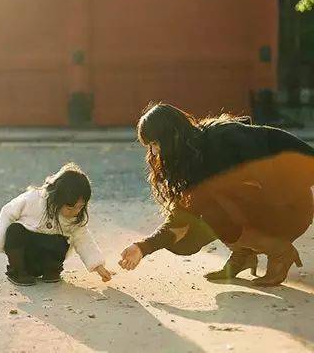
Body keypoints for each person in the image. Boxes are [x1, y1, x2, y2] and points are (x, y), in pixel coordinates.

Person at [119, 103, 314, 287]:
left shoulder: (223, 137)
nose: (153, 152)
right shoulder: (191, 158)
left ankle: (279, 251)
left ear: (172, 136)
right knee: (186, 236)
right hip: (261, 206)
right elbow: (181, 218)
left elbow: (299, 154)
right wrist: (142, 248)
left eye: (155, 143)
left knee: (210, 203)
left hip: (289, 209)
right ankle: (243, 254)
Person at [0, 162, 112, 286]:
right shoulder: (33, 199)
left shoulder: (75, 218)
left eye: (80, 207)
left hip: (49, 260)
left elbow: (84, 240)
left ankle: (51, 271)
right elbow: (8, 212)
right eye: (70, 207)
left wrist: (98, 266)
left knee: (63, 240)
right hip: (25, 257)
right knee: (15, 230)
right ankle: (18, 273)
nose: (75, 211)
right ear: (57, 198)